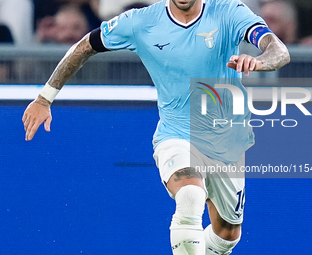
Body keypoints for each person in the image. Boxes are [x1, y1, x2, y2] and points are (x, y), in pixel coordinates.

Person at [22, 0, 290, 254]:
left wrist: (259, 61)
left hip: (226, 141)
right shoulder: (141, 22)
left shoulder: (229, 12)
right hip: (176, 134)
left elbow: (279, 50)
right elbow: (84, 46)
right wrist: (44, 97)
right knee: (190, 195)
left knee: (227, 233)